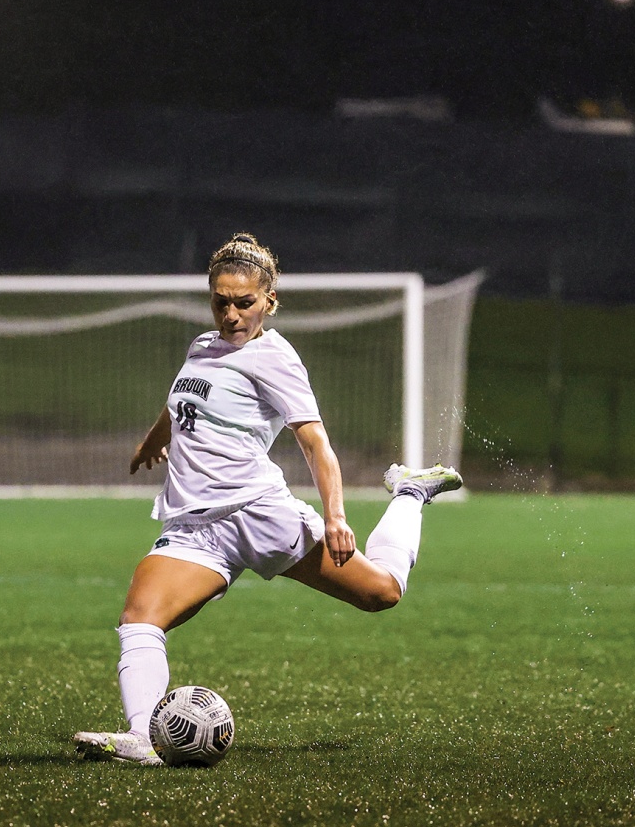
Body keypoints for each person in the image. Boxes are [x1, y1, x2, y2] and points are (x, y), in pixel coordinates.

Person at [73, 233, 463, 766]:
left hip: (259, 515)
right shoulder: (202, 348)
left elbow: (315, 443)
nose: (231, 314)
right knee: (139, 618)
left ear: (269, 302)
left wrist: (337, 518)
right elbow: (183, 401)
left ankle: (411, 493)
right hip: (195, 529)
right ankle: (146, 740)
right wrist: (154, 439)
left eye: (244, 303)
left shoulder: (275, 358)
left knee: (382, 593)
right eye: (221, 302)